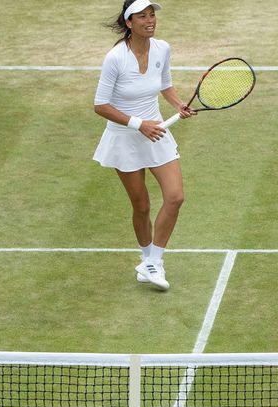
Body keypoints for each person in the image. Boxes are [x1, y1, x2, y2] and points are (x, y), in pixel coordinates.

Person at [93, 0, 196, 291]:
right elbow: (100, 105)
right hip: (125, 137)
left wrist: (179, 104)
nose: (150, 20)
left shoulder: (162, 48)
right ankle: (146, 258)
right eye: (142, 16)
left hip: (157, 132)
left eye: (152, 15)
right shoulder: (115, 58)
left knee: (175, 197)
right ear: (129, 23)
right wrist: (139, 124)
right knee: (141, 205)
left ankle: (154, 261)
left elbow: (165, 84)